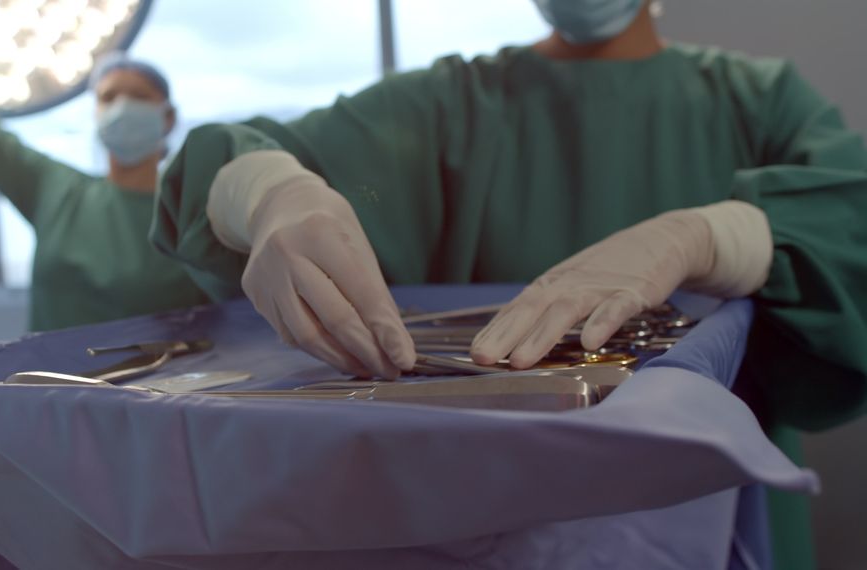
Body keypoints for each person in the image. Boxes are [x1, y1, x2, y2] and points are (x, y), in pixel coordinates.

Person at [150, 0, 867, 567]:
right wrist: (266, 192)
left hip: (708, 520)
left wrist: (719, 235)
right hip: (487, 529)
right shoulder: (447, 107)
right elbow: (221, 160)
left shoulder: (757, 100)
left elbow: (853, 220)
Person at [0, 0, 207, 331]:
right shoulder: (57, 189)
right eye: (108, 97)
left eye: (138, 96)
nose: (122, 106)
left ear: (168, 118)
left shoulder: (192, 213)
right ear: (96, 114)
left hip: (164, 366)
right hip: (47, 367)